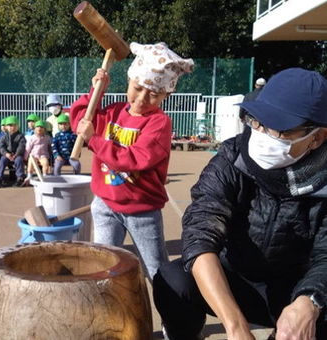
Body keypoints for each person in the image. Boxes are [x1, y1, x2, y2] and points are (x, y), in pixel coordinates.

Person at [153, 68, 327, 340]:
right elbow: (200, 233)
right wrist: (235, 327)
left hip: (293, 288)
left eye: (278, 128)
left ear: (316, 137)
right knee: (173, 280)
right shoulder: (233, 157)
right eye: (257, 121)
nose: (261, 133)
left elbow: (325, 257)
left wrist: (310, 301)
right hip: (235, 277)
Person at [70, 42, 194, 280]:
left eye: (154, 94)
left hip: (142, 210)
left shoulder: (159, 124)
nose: (142, 99)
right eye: (137, 88)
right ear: (129, 81)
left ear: (166, 95)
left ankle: (173, 315)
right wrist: (95, 91)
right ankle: (110, 312)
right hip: (105, 204)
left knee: (156, 270)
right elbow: (79, 122)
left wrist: (94, 140)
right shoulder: (113, 112)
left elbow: (135, 159)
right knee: (104, 266)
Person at [0, 116, 26, 188]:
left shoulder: (21, 136)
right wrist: (6, 153)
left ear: (18, 126)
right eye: (10, 125)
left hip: (17, 155)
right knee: (2, 160)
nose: (12, 127)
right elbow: (1, 147)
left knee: (19, 160)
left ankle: (20, 178)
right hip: (7, 155)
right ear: (6, 127)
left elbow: (21, 146)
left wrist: (16, 154)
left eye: (14, 125)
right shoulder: (4, 137)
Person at [24, 120, 51, 184]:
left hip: (43, 155)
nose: (39, 129)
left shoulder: (47, 138)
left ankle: (45, 176)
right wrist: (25, 157)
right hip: (34, 155)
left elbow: (50, 146)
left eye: (41, 127)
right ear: (34, 129)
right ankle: (29, 175)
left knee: (45, 163)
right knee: (30, 162)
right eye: (37, 127)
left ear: (45, 130)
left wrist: (51, 153)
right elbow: (28, 148)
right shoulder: (32, 138)